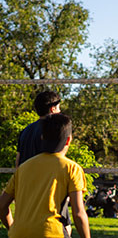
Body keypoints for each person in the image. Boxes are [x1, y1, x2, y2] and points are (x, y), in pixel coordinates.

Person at [0, 113, 91, 238]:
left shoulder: (23, 167)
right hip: (51, 233)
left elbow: (2, 205)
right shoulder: (71, 168)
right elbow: (78, 213)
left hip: (18, 233)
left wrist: (12, 227)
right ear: (68, 140)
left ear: (42, 137)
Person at [15, 91, 73, 235]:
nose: (60, 111)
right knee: (64, 226)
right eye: (59, 107)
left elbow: (18, 163)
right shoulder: (52, 131)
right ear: (53, 108)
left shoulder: (25, 131)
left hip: (27, 191)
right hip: (49, 193)